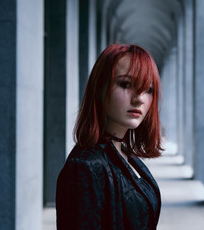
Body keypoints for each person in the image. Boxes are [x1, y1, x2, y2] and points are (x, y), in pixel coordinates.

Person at [56, 44, 163, 229]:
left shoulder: (123, 153)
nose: (139, 98)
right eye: (126, 84)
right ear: (100, 88)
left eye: (148, 89)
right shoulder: (84, 168)